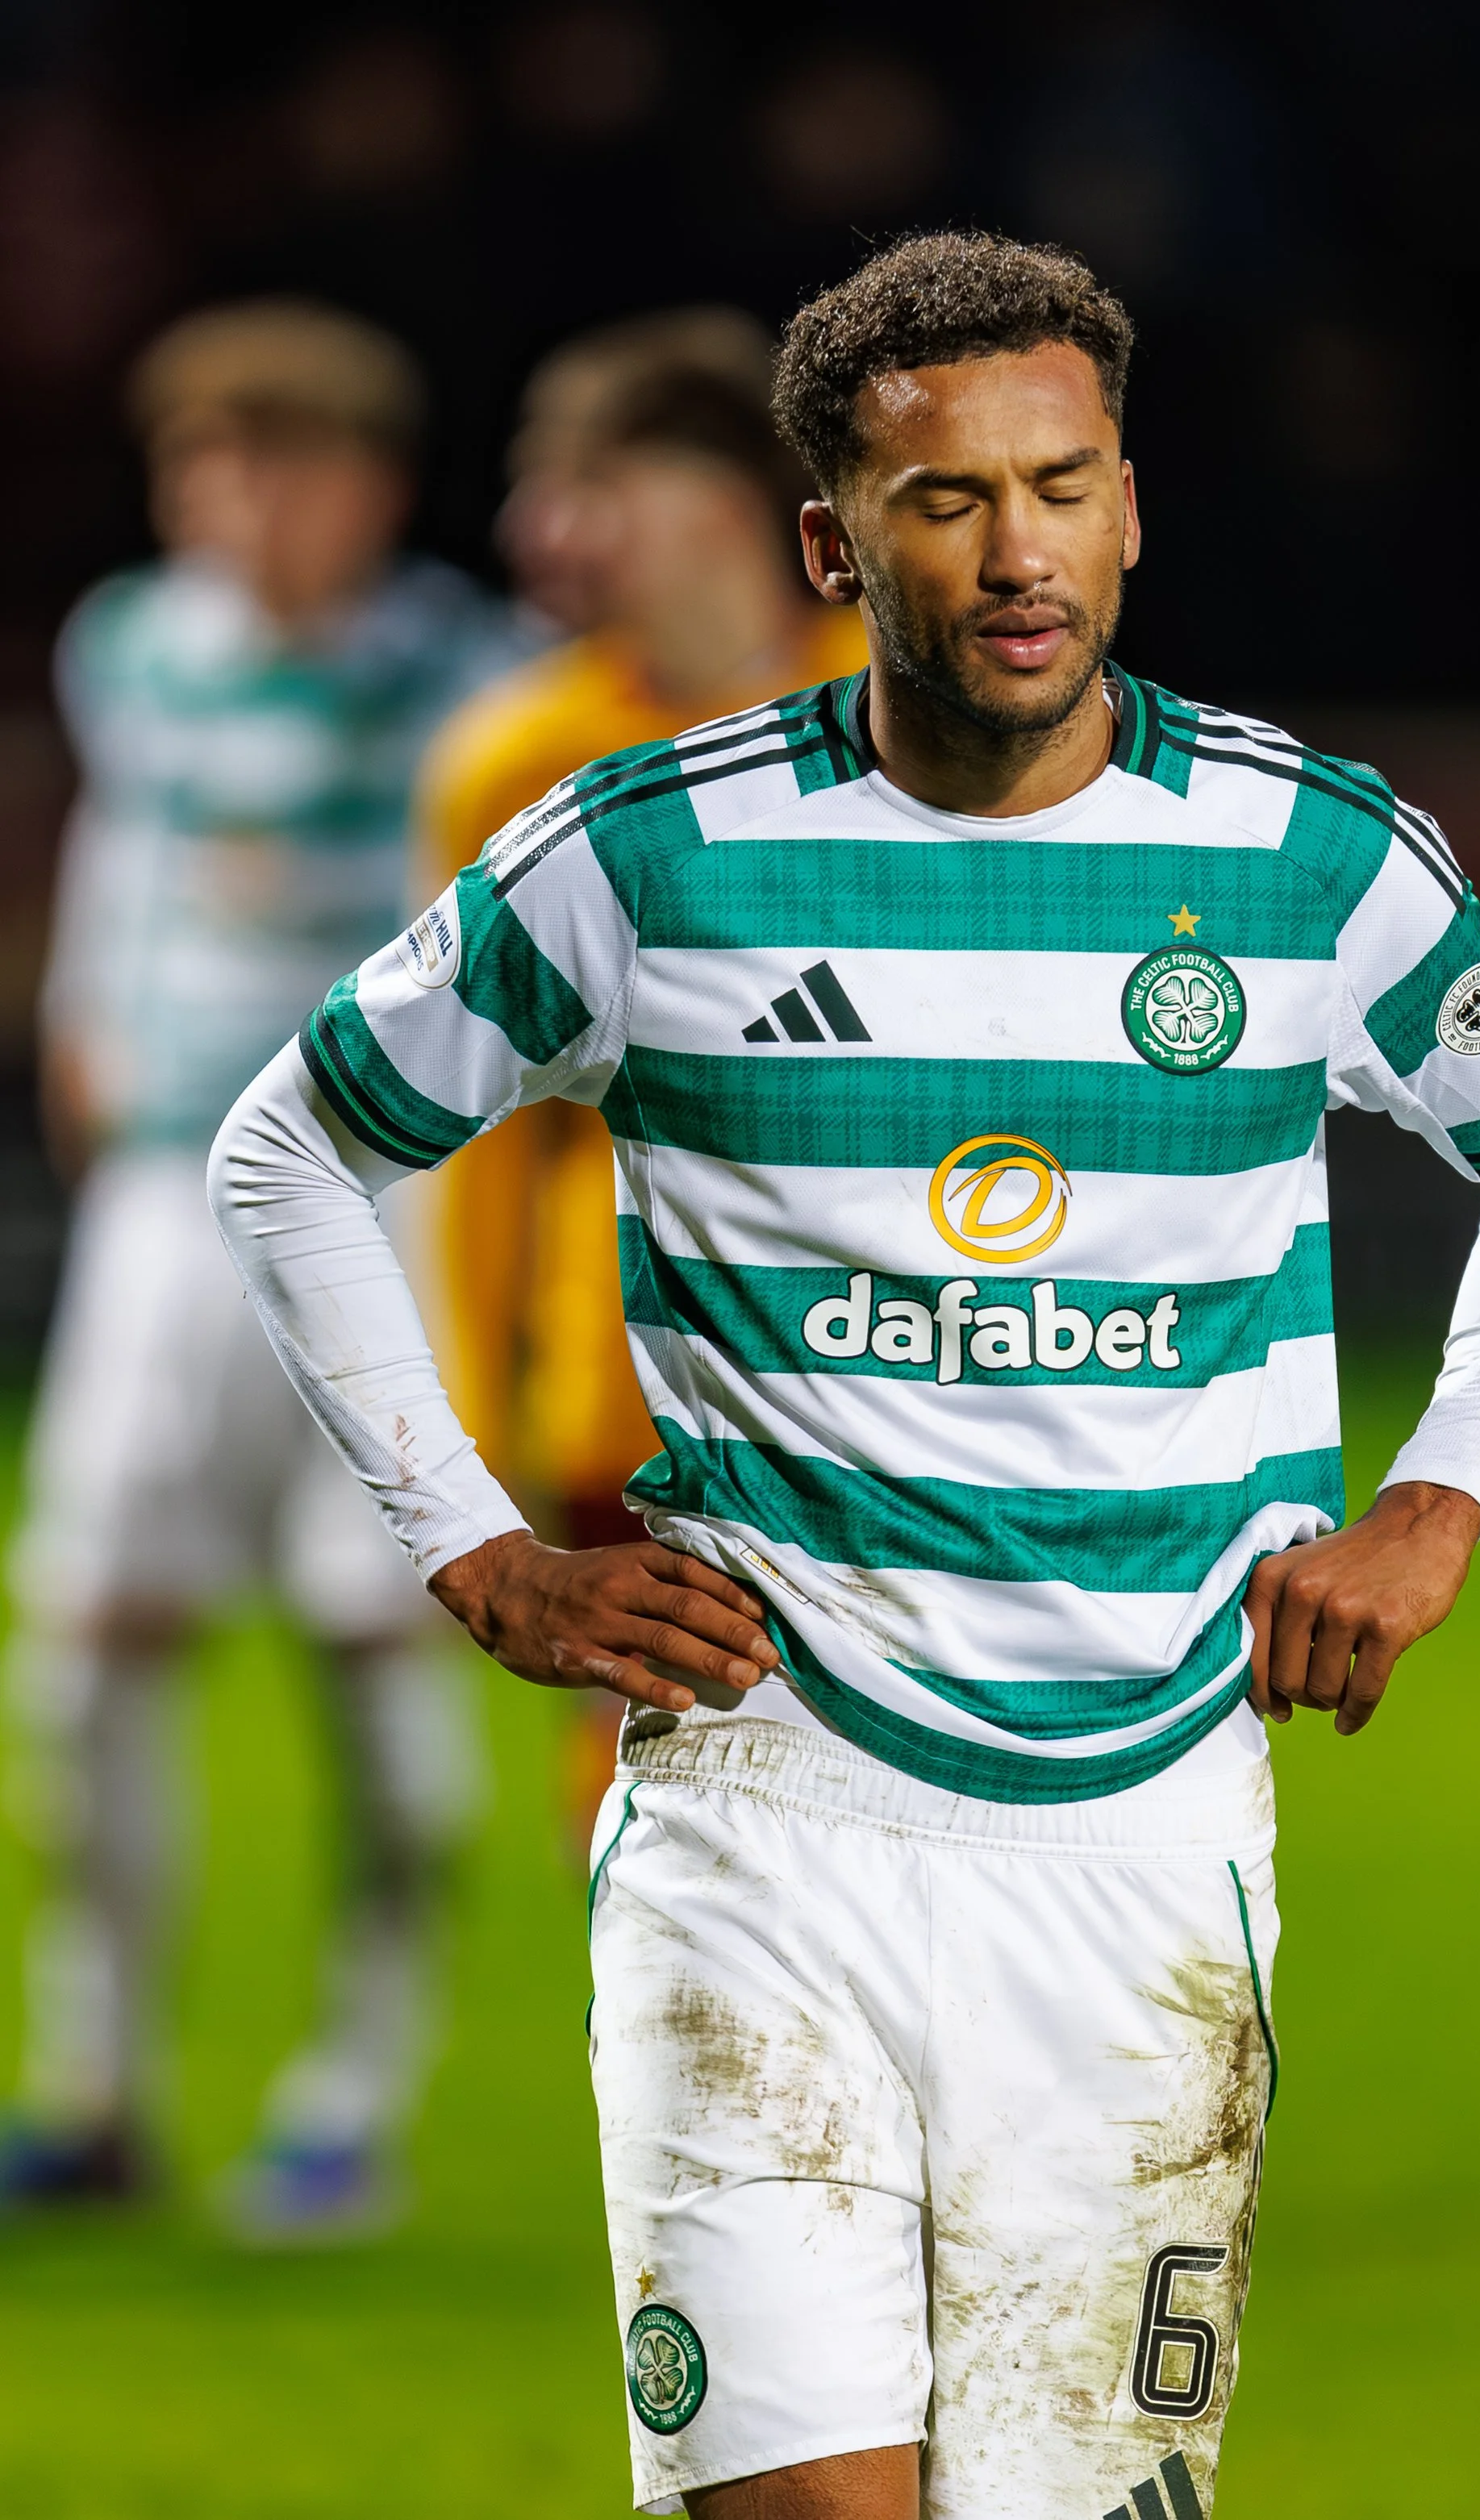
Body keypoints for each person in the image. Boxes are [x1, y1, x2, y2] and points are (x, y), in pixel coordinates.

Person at [209, 235, 1480, 2513]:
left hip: (1145, 1842)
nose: (1016, 554)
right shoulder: (649, 853)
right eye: (946, 500)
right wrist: (477, 1549)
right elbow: (289, 1144)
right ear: (830, 540)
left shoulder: (1305, 858)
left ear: (1130, 507)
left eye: (1060, 487)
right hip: (765, 1821)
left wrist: (1439, 1492)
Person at [2, 301, 516, 2239]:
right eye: (199, 464)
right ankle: (97, 2082)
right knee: (90, 1644)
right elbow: (134, 843)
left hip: (377, 1202)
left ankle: (347, 2100)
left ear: (366, 485)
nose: (230, 504)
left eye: (273, 463)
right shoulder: (130, 642)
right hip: (159, 1204)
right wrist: (82, 1016)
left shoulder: (467, 678)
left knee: (384, 1637)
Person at [416, 311, 867, 1838]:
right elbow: (471, 1131)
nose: (531, 530)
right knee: (656, 1824)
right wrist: (471, 1416)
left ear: (716, 505)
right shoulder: (512, 759)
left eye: (583, 484)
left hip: (901, 1366)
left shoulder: (914, 708)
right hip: (626, 1388)